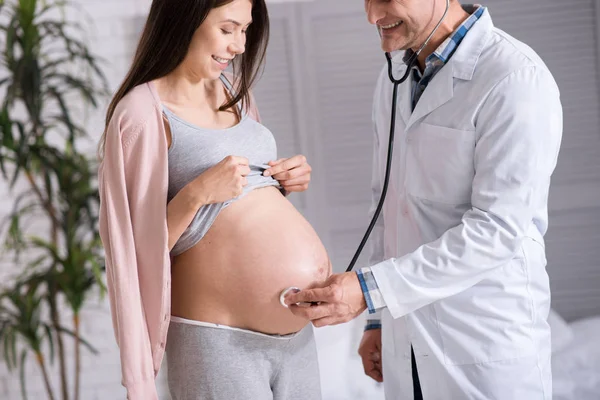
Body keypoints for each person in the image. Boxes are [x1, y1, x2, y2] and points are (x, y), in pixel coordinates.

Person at [284, 1, 563, 399]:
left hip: (480, 342)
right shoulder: (396, 76)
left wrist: (369, 291)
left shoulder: (514, 77)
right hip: (406, 341)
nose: (371, 16)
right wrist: (378, 320)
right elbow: (388, 206)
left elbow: (498, 230)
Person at [97, 1, 331, 399]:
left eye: (245, 30)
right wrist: (195, 195)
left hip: (296, 342)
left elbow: (239, 206)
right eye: (228, 29)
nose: (240, 45)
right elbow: (129, 255)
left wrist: (282, 182)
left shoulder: (234, 93)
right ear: (184, 18)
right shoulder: (140, 113)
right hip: (216, 343)